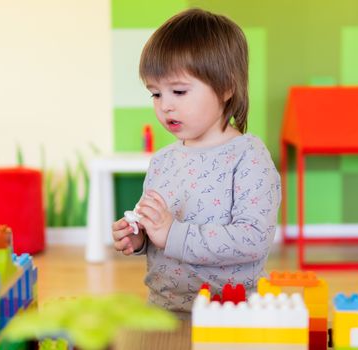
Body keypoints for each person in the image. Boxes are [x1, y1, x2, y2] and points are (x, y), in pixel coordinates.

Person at [111, 8, 281, 319]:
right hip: (164, 309)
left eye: (178, 91)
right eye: (155, 93)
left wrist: (172, 233)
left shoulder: (249, 157)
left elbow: (252, 239)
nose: (165, 105)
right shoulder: (163, 161)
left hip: (231, 314)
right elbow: (159, 230)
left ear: (226, 86)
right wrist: (140, 237)